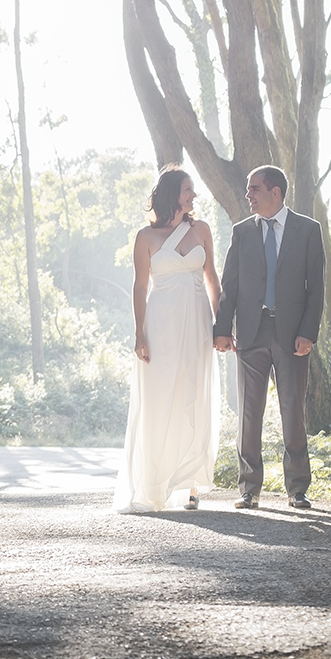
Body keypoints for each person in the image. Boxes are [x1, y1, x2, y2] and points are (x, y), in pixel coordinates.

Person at [214, 165, 326, 510]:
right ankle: (249, 488)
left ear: (275, 192)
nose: (248, 195)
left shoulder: (308, 230)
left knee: (293, 411)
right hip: (250, 332)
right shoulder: (242, 231)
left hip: (292, 335)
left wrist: (308, 332)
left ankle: (297, 489)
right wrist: (222, 330)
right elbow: (229, 284)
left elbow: (317, 287)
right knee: (249, 413)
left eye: (254, 189)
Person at [113, 166, 221, 514]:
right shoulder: (146, 237)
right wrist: (139, 333)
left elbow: (212, 280)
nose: (193, 196)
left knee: (194, 393)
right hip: (160, 324)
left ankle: (189, 485)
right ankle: (155, 484)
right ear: (172, 192)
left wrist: (222, 326)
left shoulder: (202, 229)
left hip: (197, 322)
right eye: (188, 189)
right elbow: (140, 287)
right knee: (160, 400)